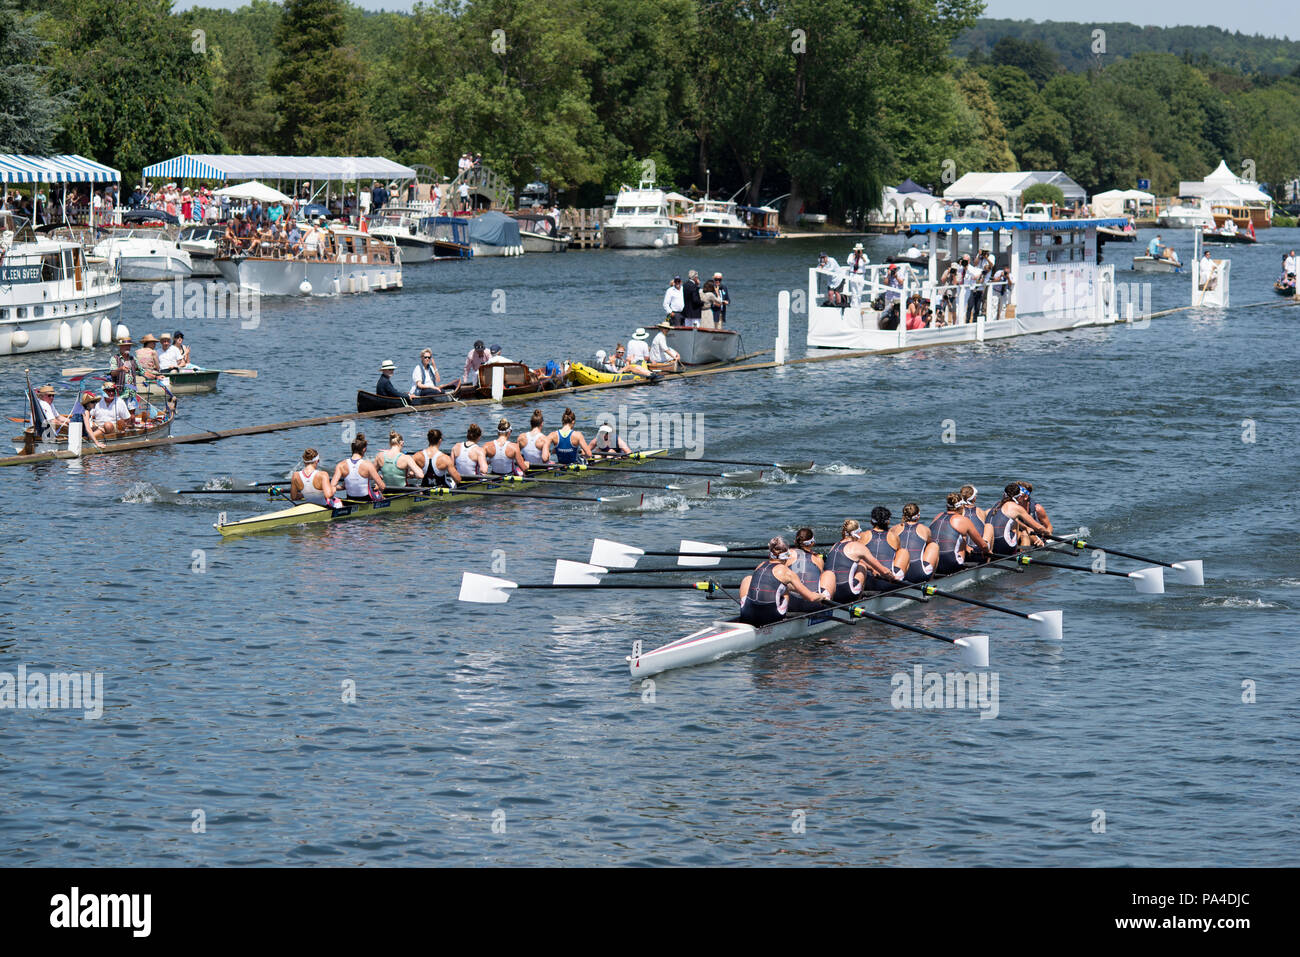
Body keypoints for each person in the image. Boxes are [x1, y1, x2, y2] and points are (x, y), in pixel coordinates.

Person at [737, 537, 829, 626]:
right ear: (786, 556)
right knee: (784, 590)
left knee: (748, 579)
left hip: (747, 615)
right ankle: (782, 619)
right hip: (770, 617)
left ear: (770, 554)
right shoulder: (787, 572)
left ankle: (749, 610)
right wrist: (823, 596)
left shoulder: (760, 565)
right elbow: (811, 598)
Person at [822, 518, 901, 602]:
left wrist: (872, 569)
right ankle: (859, 600)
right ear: (856, 533)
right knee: (862, 566)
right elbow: (883, 571)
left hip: (831, 591)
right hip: (847, 593)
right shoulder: (858, 547)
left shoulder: (834, 546)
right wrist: (893, 578)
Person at [929, 492, 991, 573]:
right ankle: (988, 566)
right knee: (970, 539)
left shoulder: (937, 516)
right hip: (952, 563)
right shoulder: (963, 520)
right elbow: (982, 545)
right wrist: (988, 552)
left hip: (934, 561)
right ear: (961, 506)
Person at [987, 483, 1051, 555]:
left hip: (991, 543)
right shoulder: (1016, 508)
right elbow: (1038, 527)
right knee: (1025, 532)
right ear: (1019, 497)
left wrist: (1043, 539)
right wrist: (1047, 534)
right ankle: (1022, 557)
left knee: (1020, 529)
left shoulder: (998, 504)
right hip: (1005, 544)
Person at [891, 503, 939, 584]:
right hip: (918, 573)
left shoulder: (893, 529)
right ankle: (931, 580)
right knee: (934, 546)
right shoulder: (925, 529)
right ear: (918, 516)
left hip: (900, 571)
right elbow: (928, 546)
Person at [862, 507, 908, 590]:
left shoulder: (863, 535)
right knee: (903, 552)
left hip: (866, 582)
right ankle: (900, 582)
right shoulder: (894, 536)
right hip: (887, 582)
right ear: (888, 521)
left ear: (871, 521)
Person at [784, 528, 827, 613]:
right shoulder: (818, 559)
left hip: (790, 604)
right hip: (812, 603)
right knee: (829, 574)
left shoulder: (787, 555)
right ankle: (827, 603)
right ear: (812, 543)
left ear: (795, 541)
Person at [333, 434, 386, 499]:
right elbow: (382, 487)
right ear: (364, 449)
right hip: (367, 501)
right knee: (380, 494)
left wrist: (344, 487)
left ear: (352, 448)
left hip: (350, 501)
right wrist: (378, 487)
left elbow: (333, 486)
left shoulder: (340, 465)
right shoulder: (368, 465)